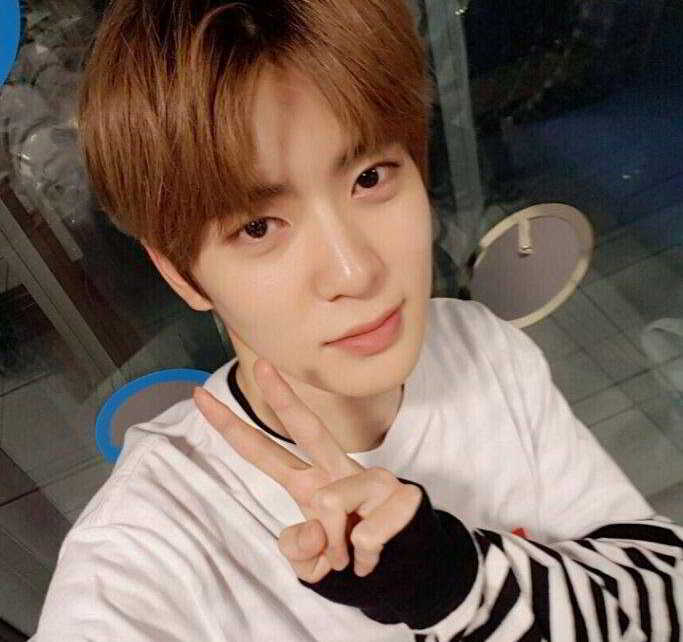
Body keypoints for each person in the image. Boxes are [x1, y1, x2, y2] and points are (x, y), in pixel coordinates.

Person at [33, 0, 682, 640]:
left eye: (369, 178)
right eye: (258, 227)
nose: (355, 272)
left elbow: (664, 593)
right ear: (181, 273)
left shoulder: (475, 344)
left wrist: (453, 584)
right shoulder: (138, 559)